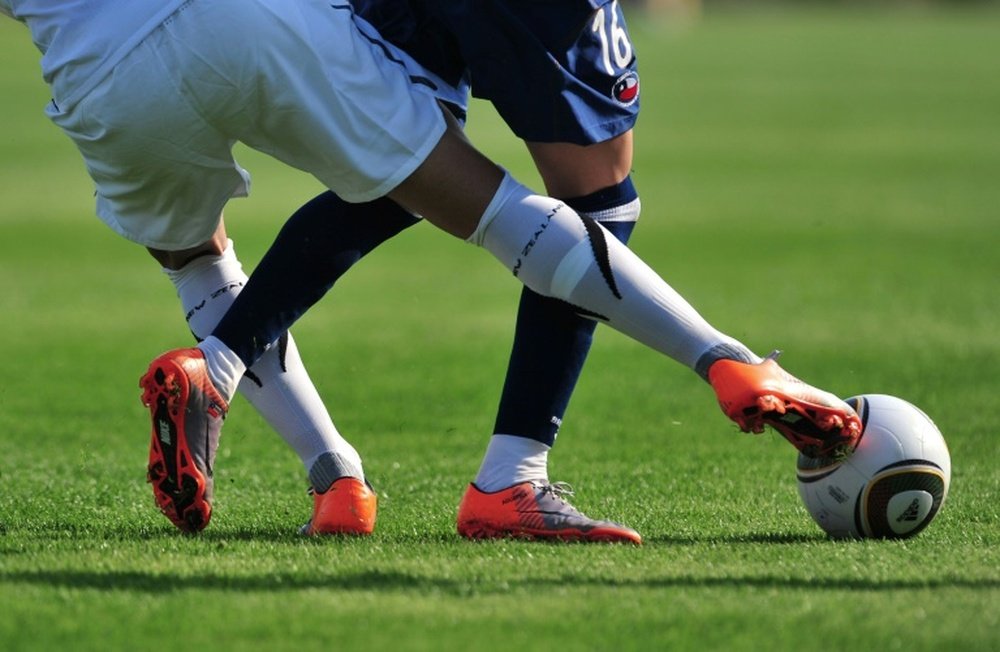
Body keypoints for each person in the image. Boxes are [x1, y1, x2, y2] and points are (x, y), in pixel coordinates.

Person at [3, 0, 861, 541]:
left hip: (93, 75)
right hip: (241, 20)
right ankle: (706, 370)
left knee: (198, 255)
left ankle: (332, 475)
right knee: (547, 195)